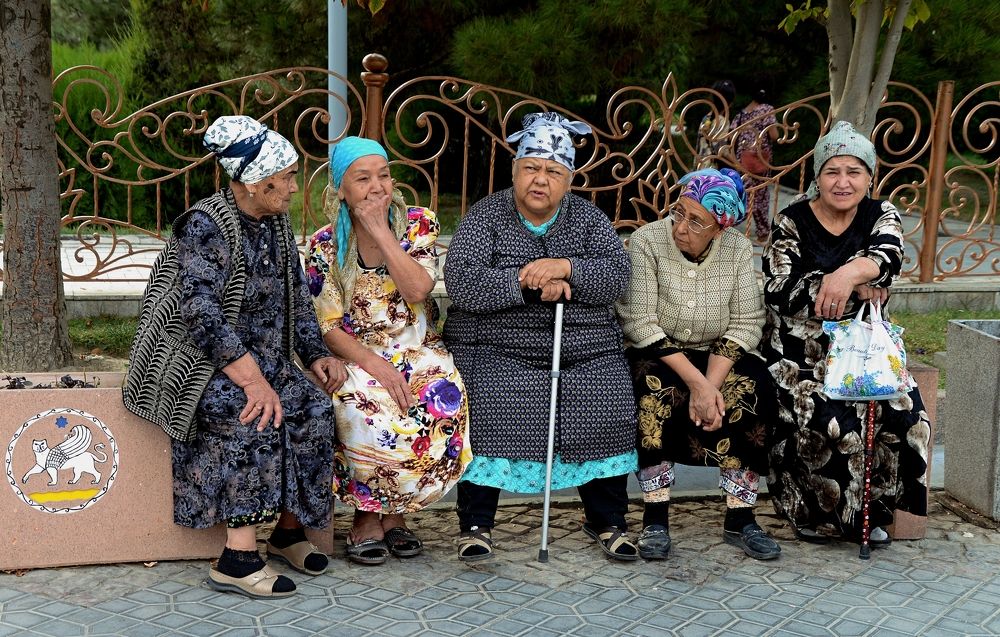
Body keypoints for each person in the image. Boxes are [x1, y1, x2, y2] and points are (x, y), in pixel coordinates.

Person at [123, 115, 345, 598]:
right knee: (253, 415)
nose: (294, 187)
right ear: (254, 181)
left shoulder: (275, 222)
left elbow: (295, 296)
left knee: (313, 407)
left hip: (264, 360)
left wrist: (315, 354)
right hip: (201, 364)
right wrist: (252, 381)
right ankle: (237, 559)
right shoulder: (205, 225)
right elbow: (200, 314)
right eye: (287, 178)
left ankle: (287, 533)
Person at [443, 112, 639, 562]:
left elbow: (617, 274)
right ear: (514, 171)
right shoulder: (485, 217)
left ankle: (608, 519)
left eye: (553, 171)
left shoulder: (589, 220)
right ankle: (476, 524)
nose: (540, 180)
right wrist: (528, 283)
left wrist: (567, 268)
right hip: (497, 346)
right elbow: (462, 281)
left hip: (583, 348)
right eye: (530, 167)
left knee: (605, 396)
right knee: (491, 399)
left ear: (568, 180)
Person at [761, 121, 930, 546]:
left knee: (908, 417)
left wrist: (846, 275)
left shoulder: (880, 214)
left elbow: (889, 257)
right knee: (830, 421)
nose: (843, 182)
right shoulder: (792, 220)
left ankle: (868, 514)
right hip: (801, 354)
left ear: (869, 177)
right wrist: (851, 283)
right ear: (817, 177)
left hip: (866, 350)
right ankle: (812, 513)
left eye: (854, 172)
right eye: (832, 171)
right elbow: (780, 289)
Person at [306, 137, 471, 565]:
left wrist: (380, 230)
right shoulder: (325, 245)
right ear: (341, 189)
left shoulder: (418, 224)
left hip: (418, 347)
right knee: (360, 406)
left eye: (383, 175)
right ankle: (366, 515)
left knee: (436, 399)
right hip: (358, 353)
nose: (376, 186)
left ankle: (396, 514)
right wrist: (376, 366)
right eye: (363, 179)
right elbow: (327, 325)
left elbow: (417, 289)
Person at [616, 167, 782, 561]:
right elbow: (639, 321)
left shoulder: (736, 248)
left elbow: (747, 322)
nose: (680, 227)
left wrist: (710, 384)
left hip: (717, 351)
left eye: (695, 221)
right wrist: (698, 385)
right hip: (658, 350)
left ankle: (740, 517)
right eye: (679, 212)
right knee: (652, 390)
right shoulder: (647, 241)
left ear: (719, 229)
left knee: (754, 386)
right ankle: (655, 517)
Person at [729, 83, 779, 242]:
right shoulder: (767, 110)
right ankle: (762, 230)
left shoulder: (742, 113)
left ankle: (729, 219)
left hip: (742, 159)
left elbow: (731, 134)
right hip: (760, 159)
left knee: (744, 191)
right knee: (760, 195)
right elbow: (774, 135)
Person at [696, 79, 736, 169]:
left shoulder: (706, 118)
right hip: (711, 169)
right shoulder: (722, 121)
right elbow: (721, 149)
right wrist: (737, 164)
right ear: (730, 103)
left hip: (699, 165)